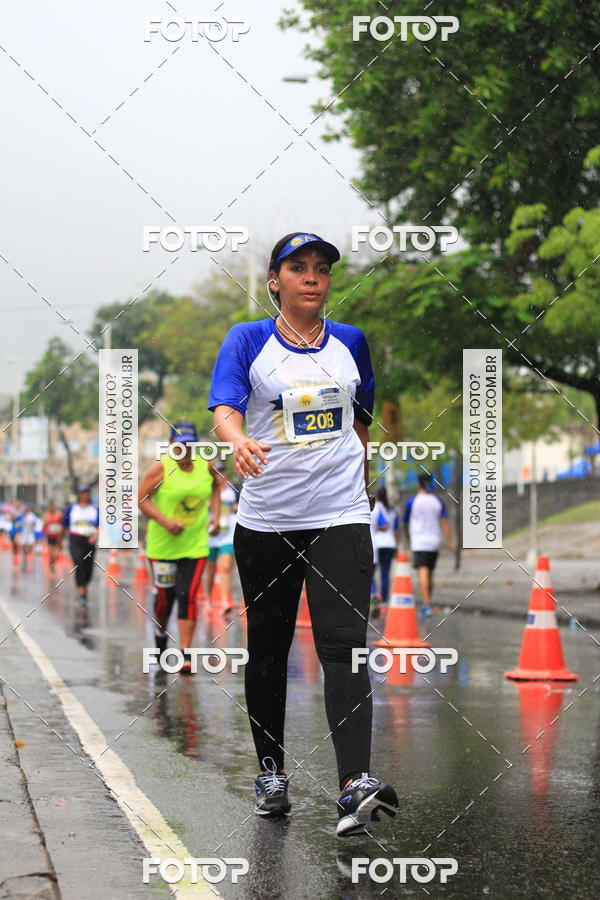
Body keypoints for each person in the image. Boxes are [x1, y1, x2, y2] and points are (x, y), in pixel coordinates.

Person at [209, 232, 398, 837]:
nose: (312, 277)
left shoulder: (351, 343)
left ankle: (354, 786)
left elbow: (361, 420)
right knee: (269, 647)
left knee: (344, 645)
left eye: (321, 268)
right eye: (298, 268)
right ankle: (271, 773)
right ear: (275, 281)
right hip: (267, 518)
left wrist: (361, 484)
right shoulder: (247, 339)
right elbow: (224, 407)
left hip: (341, 513)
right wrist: (237, 440)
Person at [138, 420, 221, 674]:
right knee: (165, 599)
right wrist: (165, 522)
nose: (185, 450)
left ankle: (185, 654)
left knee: (188, 596)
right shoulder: (161, 468)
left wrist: (216, 517)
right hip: (163, 548)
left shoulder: (205, 466)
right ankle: (160, 636)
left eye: (189, 445)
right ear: (171, 444)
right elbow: (141, 499)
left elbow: (217, 487)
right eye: (180, 445)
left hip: (195, 546)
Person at [403, 473, 456, 616]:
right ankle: (428, 602)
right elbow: (445, 523)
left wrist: (408, 538)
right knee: (430, 573)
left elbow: (405, 522)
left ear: (418, 484)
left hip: (419, 541)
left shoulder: (412, 502)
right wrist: (450, 542)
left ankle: (426, 605)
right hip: (434, 541)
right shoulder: (437, 501)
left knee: (423, 572)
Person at [205, 463, 239, 615]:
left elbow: (240, 506)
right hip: (211, 535)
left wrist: (237, 507)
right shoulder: (207, 490)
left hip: (227, 535)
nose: (221, 476)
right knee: (210, 569)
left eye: (223, 473)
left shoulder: (233, 490)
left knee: (225, 567)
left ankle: (225, 601)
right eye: (218, 474)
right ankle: (209, 600)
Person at [63, 486, 99, 602]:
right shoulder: (72, 508)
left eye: (87, 493)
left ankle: (84, 584)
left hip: (89, 541)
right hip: (75, 540)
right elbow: (64, 525)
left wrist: (95, 535)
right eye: (82, 493)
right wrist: (59, 541)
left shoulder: (95, 509)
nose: (84, 496)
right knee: (79, 564)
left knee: (88, 567)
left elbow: (100, 525)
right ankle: (82, 592)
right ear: (79, 495)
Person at [370, 487, 400, 618]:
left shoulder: (374, 507)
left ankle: (374, 594)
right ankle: (383, 600)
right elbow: (393, 528)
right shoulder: (391, 510)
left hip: (376, 544)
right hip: (389, 544)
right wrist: (396, 546)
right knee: (385, 574)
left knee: (370, 575)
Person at [43, 500, 64, 571]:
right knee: (51, 553)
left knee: (56, 555)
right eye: (50, 507)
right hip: (50, 537)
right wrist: (44, 533)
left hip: (57, 537)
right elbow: (44, 526)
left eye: (53, 506)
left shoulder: (59, 515)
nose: (51, 508)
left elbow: (63, 525)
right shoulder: (46, 515)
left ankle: (52, 562)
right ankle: (52, 564)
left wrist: (61, 533)